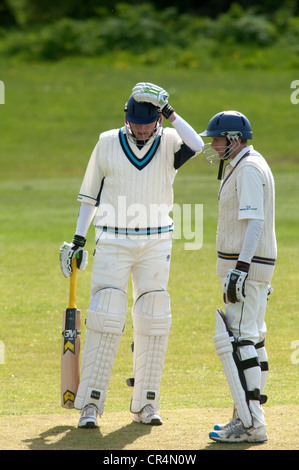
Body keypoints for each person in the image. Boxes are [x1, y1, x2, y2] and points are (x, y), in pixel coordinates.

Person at [59, 82, 203, 428]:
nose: (141, 129)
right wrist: (79, 239)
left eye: (148, 122)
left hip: (156, 242)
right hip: (113, 239)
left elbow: (198, 144)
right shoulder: (107, 142)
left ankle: (145, 405)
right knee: (105, 313)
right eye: (136, 122)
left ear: (158, 119)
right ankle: (90, 405)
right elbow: (89, 196)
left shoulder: (169, 142)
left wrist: (169, 111)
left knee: (154, 316)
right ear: (126, 118)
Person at [199, 111, 277, 443]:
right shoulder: (247, 164)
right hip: (252, 266)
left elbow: (254, 222)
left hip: (244, 266)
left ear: (233, 139)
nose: (213, 146)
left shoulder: (247, 169)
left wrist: (241, 270)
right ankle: (247, 416)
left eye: (216, 140)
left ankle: (251, 423)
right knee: (253, 338)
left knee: (242, 339)